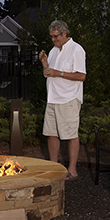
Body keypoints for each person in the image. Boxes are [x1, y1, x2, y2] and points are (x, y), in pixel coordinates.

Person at [39, 20, 86, 181]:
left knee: (71, 135)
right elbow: (48, 73)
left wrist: (59, 73)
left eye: (55, 36)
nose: (53, 39)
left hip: (69, 98)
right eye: (51, 36)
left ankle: (72, 170)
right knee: (51, 134)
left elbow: (81, 75)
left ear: (64, 33)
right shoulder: (53, 51)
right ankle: (54, 167)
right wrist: (45, 63)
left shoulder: (76, 50)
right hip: (52, 98)